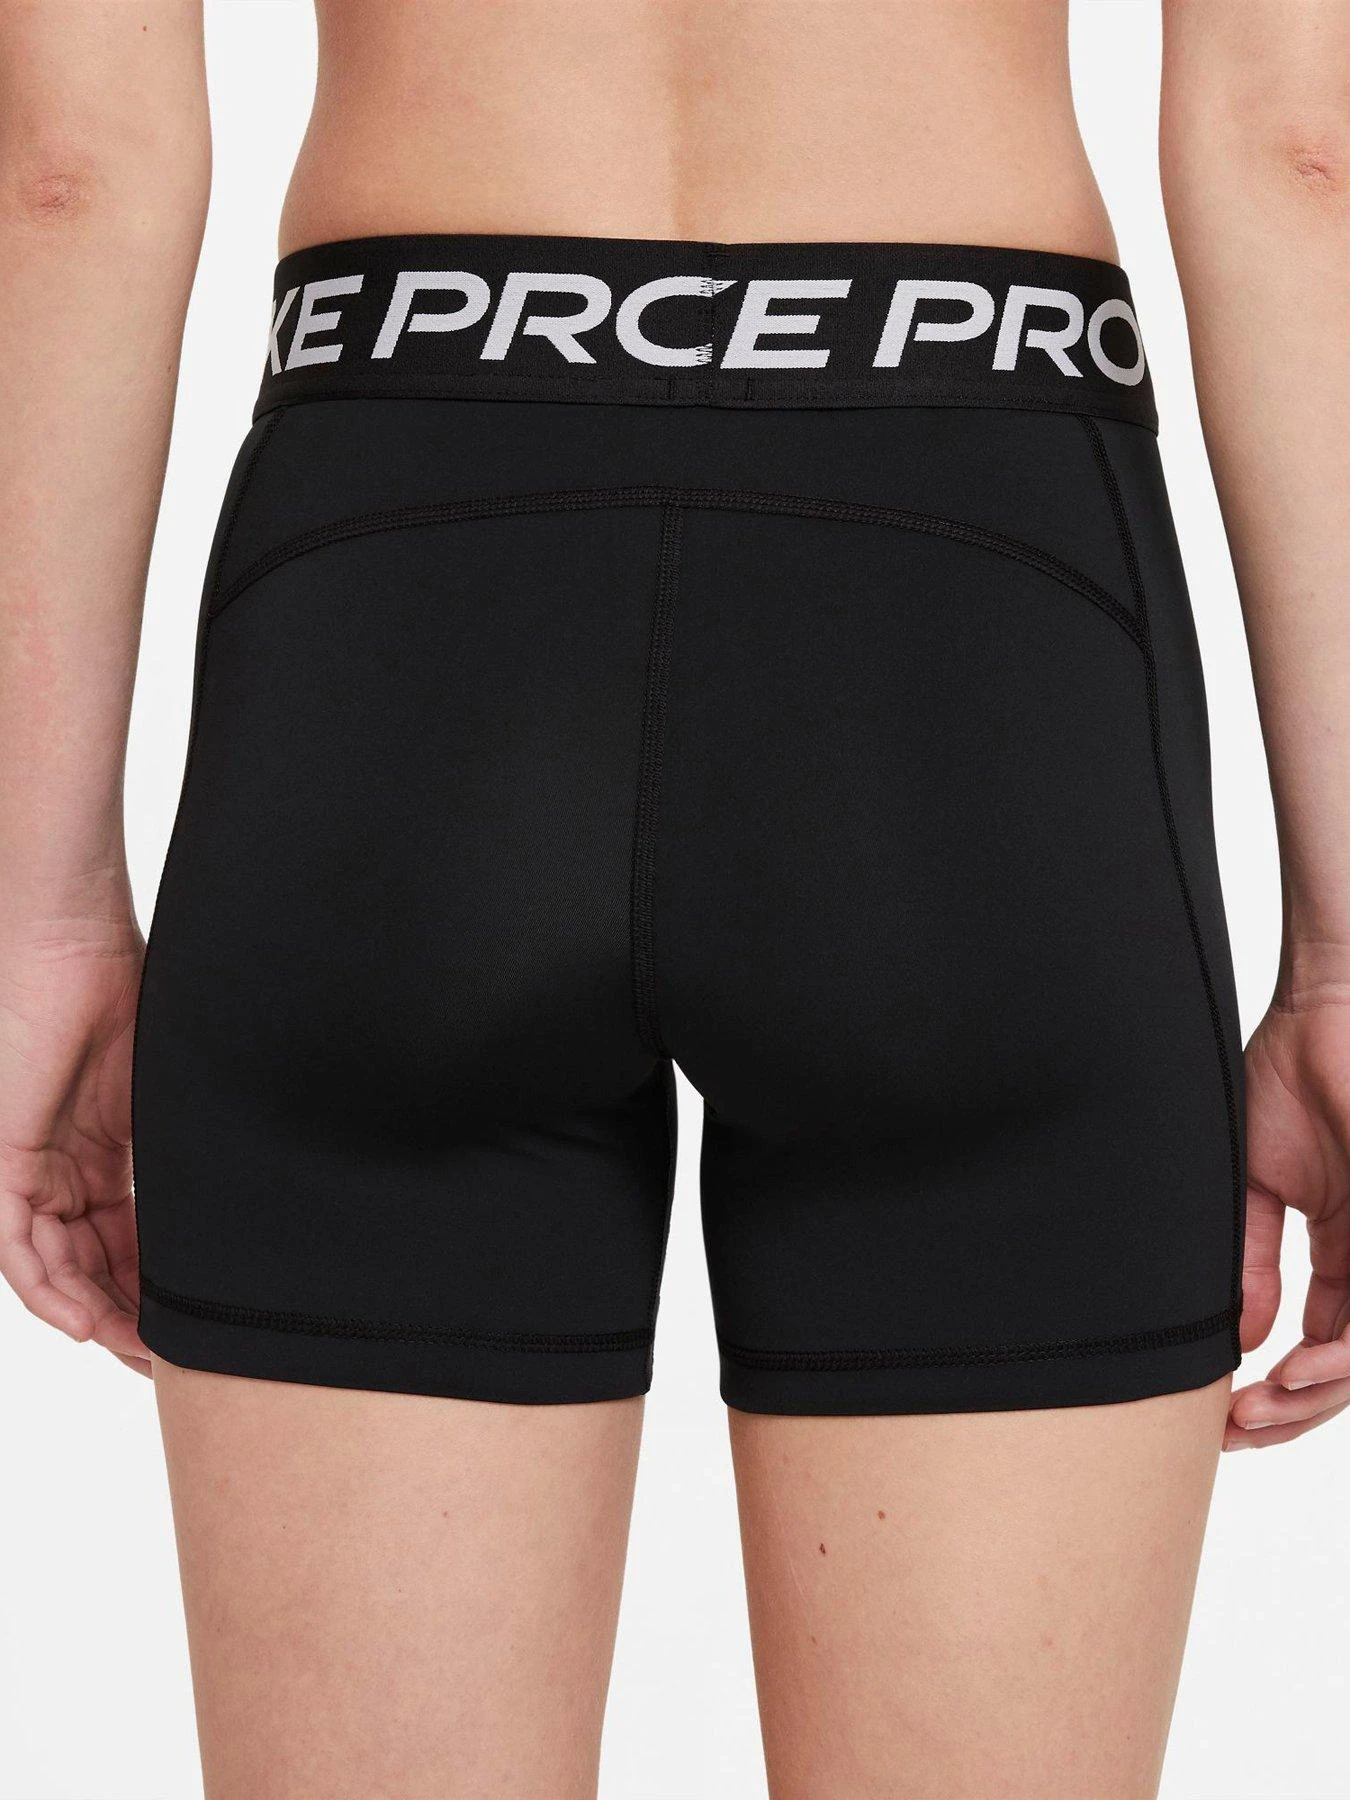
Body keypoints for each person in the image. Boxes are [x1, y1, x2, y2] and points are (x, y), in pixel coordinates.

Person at [2, 1, 1347, 1794]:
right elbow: (1296, 147)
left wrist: (44, 916)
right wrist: (1339, 961)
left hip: (399, 601)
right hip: (973, 623)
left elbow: (68, 170)